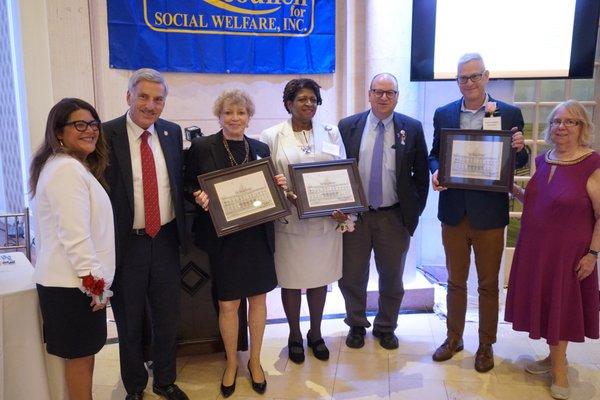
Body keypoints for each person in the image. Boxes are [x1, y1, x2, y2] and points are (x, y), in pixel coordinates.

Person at [428, 53, 528, 373]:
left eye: (474, 76)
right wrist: (436, 171)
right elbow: (434, 155)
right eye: (462, 78)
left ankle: (486, 345)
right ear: (457, 81)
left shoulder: (509, 112)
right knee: (455, 281)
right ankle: (454, 337)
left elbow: (520, 161)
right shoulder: (444, 113)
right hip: (454, 212)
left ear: (486, 76)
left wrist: (520, 148)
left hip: (489, 214)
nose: (468, 83)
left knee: (487, 284)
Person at [185, 90, 287, 398]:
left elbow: (269, 188)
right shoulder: (202, 146)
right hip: (224, 237)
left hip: (257, 235)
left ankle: (254, 361)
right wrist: (197, 194)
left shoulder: (260, 147)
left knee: (258, 300)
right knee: (228, 303)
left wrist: (278, 184)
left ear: (249, 116)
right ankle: (232, 362)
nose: (235, 119)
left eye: (241, 113)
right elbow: (186, 182)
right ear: (219, 116)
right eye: (229, 113)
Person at [505, 100, 599, 400]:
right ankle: (552, 358)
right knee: (546, 304)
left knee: (560, 305)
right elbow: (537, 202)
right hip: (536, 249)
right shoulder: (543, 161)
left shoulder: (593, 163)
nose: (562, 127)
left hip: (568, 253)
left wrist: (593, 254)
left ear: (582, 127)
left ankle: (560, 370)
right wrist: (508, 187)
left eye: (570, 121)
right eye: (557, 121)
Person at [103, 68, 188, 400]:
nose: (151, 106)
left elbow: (182, 182)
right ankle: (135, 386)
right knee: (130, 321)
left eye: (158, 99)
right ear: (128, 97)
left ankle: (165, 380)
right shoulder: (106, 134)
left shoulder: (171, 132)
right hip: (127, 245)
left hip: (166, 240)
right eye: (144, 97)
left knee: (168, 317)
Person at [30, 98, 115, 400]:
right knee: (80, 361)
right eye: (80, 124)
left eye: (93, 124)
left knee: (83, 358)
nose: (90, 130)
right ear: (58, 132)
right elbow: (75, 237)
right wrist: (97, 287)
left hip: (73, 285)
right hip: (74, 286)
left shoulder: (69, 167)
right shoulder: (65, 169)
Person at [338, 73, 429, 350]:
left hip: (393, 216)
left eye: (390, 93)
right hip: (357, 216)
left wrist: (410, 216)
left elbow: (421, 176)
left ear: (397, 96)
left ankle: (386, 326)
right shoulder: (348, 126)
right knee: (352, 275)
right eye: (378, 91)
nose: (383, 97)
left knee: (392, 277)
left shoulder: (411, 128)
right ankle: (356, 323)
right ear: (369, 94)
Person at [260, 78, 348, 364]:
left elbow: (343, 174)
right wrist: (285, 192)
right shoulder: (271, 136)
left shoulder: (331, 133)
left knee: (320, 280)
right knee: (291, 280)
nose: (308, 104)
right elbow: (266, 179)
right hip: (291, 223)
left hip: (325, 223)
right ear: (289, 103)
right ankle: (295, 334)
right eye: (302, 99)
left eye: (313, 99)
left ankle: (316, 333)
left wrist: (343, 208)